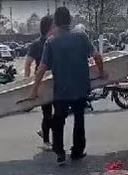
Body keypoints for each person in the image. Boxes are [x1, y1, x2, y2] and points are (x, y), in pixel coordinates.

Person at [30, 6, 105, 164]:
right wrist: (101, 72)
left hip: (61, 90)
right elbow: (97, 56)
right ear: (70, 20)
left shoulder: (51, 41)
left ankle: (59, 152)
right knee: (79, 119)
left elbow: (41, 68)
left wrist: (34, 90)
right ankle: (77, 152)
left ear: (56, 22)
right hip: (80, 88)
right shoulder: (81, 36)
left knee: (59, 120)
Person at [24, 15, 56, 150]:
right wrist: (27, 81)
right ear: (49, 27)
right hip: (42, 81)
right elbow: (28, 63)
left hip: (54, 80)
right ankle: (46, 141)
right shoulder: (37, 44)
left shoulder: (55, 41)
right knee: (47, 111)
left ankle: (46, 131)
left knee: (59, 110)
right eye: (54, 25)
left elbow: (27, 64)